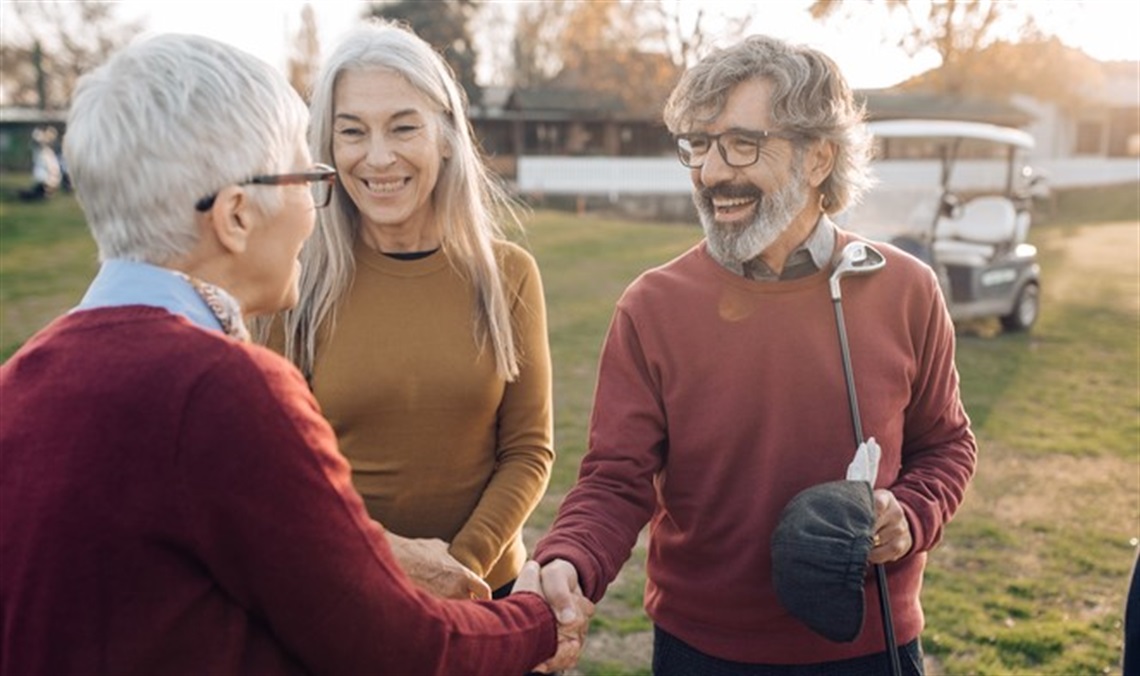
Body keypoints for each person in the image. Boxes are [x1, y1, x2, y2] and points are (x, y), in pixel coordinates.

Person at [0, 33, 590, 675]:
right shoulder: (221, 392)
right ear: (235, 216)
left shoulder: (21, 383)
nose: (317, 208)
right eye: (305, 176)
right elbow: (392, 639)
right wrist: (535, 623)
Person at [532, 34, 977, 674]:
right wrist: (568, 560)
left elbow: (947, 444)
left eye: (743, 144)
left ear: (818, 157)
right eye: (700, 145)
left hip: (871, 648)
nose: (713, 172)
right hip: (703, 652)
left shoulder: (906, 288)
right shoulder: (651, 306)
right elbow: (614, 480)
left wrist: (910, 513)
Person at [262, 19, 554, 603]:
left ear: (445, 136)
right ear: (328, 146)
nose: (377, 157)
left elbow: (528, 451)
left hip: (482, 592)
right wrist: (387, 566)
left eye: (403, 127)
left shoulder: (508, 274)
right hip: (344, 595)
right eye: (352, 132)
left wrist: (459, 571)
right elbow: (277, 469)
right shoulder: (296, 283)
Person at [16, 126, 62, 201]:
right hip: (44, 183)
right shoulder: (41, 153)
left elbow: (54, 172)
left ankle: (40, 195)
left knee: (32, 194)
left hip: (47, 183)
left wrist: (51, 185)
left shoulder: (47, 154)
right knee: (29, 193)